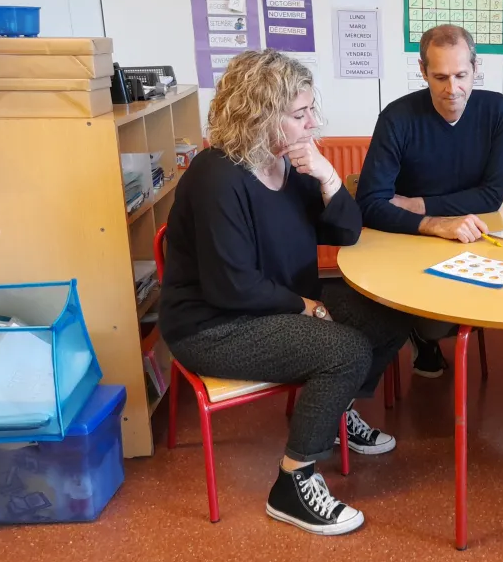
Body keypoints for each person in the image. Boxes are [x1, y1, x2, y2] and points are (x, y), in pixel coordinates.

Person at [159, 50, 413, 536]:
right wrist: (305, 306)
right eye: (299, 115)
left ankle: (333, 410)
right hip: (214, 325)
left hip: (274, 306)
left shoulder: (284, 166)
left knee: (389, 317)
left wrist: (329, 176)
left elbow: (345, 232)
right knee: (345, 351)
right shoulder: (217, 176)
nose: (312, 123)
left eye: (309, 111)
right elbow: (230, 285)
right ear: (259, 114)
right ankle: (293, 483)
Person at [355, 24, 503, 378]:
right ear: (422, 71)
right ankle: (421, 334)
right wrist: (431, 224)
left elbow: (492, 196)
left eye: (461, 75)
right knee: (432, 326)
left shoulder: (496, 111)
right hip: (409, 241)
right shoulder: (397, 118)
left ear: (476, 68)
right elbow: (369, 202)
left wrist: (418, 204)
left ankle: (427, 332)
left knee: (497, 300)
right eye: (440, 77)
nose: (452, 89)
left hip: (471, 236)